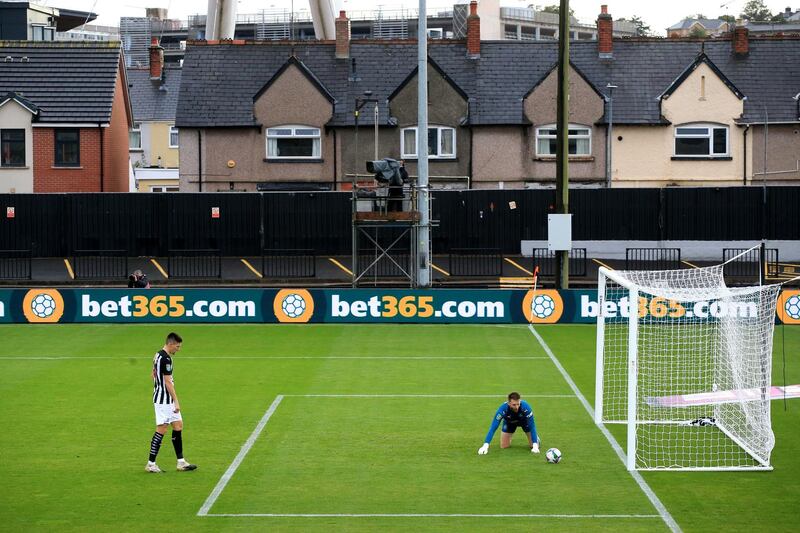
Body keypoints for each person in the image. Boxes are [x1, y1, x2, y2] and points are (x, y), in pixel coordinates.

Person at [145, 332, 197, 473]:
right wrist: (176, 401)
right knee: (162, 429)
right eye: (177, 346)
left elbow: (153, 373)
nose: (178, 349)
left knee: (178, 425)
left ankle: (181, 462)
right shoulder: (166, 359)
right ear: (170, 344)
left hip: (164, 398)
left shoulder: (158, 354)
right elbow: (168, 382)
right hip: (164, 400)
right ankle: (151, 464)